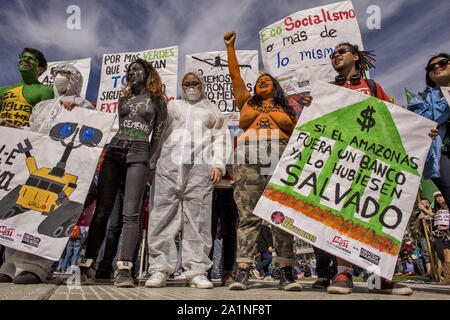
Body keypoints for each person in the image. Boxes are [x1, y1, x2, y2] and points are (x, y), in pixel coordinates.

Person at [304, 42, 412, 295]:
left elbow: (396, 119)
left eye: (341, 51)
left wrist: (421, 133)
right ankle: (344, 273)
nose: (335, 56)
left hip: (374, 160)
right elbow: (320, 123)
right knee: (341, 215)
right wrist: (310, 105)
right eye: (332, 54)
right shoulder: (328, 90)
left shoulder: (373, 87)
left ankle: (380, 278)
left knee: (374, 216)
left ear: (355, 56)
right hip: (342, 160)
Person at [76, 59, 167, 288]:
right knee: (102, 210)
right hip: (114, 150)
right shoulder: (123, 99)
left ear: (148, 74)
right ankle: (87, 265)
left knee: (131, 213)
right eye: (129, 70)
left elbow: (156, 136)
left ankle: (124, 268)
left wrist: (149, 162)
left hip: (139, 152)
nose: (131, 73)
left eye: (137, 69)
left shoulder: (158, 102)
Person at [0, 61, 92, 285]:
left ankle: (36, 267)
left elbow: (87, 134)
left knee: (43, 221)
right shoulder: (41, 107)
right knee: (20, 218)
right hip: (38, 166)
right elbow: (32, 133)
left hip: (62, 169)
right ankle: (9, 265)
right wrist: (12, 129)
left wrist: (75, 111)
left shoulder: (85, 106)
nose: (61, 77)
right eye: (58, 73)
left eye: (66, 74)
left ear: (75, 80)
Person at [224, 31, 301, 291]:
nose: (262, 82)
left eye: (267, 80)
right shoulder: (247, 103)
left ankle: (286, 271)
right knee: (247, 215)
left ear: (275, 87)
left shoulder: (287, 109)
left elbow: (305, 135)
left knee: (280, 214)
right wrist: (230, 48)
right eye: (259, 80)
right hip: (247, 154)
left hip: (279, 153)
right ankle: (242, 270)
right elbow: (236, 76)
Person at [145, 72, 231, 289]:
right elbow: (159, 134)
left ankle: (197, 271)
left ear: (202, 85)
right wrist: (152, 164)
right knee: (161, 216)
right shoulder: (172, 107)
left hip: (199, 169)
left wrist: (219, 165)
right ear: (181, 87)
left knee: (199, 219)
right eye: (187, 84)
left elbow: (220, 138)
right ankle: (159, 269)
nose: (191, 87)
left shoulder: (212, 110)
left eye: (195, 83)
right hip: (168, 166)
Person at [408, 53, 450, 207]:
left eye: (443, 63)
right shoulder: (422, 99)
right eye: (431, 68)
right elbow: (423, 121)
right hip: (441, 154)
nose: (437, 68)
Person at [0, 48, 53, 128]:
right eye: (23, 57)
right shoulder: (2, 90)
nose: (25, 60)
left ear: (40, 69)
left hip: (23, 139)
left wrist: (13, 127)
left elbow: (43, 126)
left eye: (31, 59)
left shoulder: (45, 91)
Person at [208, 164, 239, 286]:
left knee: (230, 232)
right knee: (207, 231)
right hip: (209, 185)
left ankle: (228, 271)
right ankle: (206, 269)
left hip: (230, 186)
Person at [432, 191, 450, 284]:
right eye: (437, 196)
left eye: (441, 196)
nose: (439, 198)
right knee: (446, 254)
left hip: (447, 232)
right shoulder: (440, 209)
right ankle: (447, 278)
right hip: (445, 235)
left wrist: (446, 227)